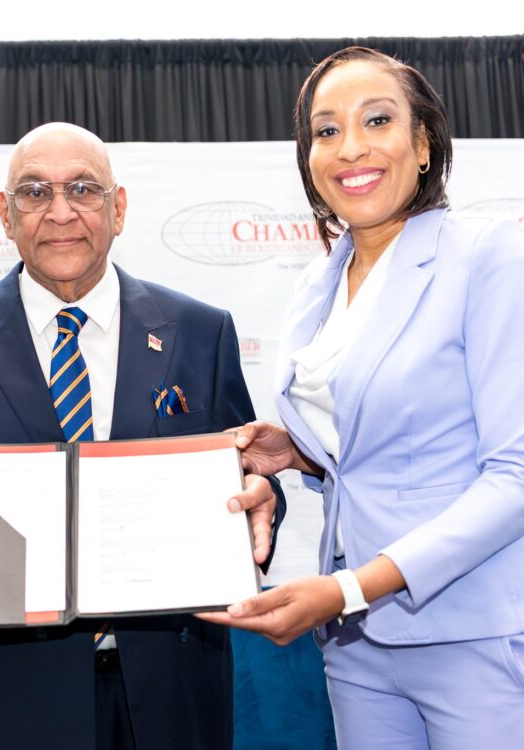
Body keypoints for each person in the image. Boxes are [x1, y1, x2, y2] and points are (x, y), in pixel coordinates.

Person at [0, 122, 284, 750]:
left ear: (118, 208)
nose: (60, 213)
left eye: (82, 189)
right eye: (34, 193)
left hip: (173, 692)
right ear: (5, 214)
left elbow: (249, 478)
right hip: (11, 698)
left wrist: (264, 500)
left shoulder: (200, 331)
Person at [199, 47, 524, 749]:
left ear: (424, 144)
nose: (351, 147)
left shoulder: (489, 257)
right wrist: (302, 453)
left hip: (472, 630)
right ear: (309, 160)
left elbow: (515, 476)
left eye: (377, 120)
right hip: (354, 643)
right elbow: (390, 445)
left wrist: (352, 588)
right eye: (327, 130)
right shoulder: (318, 285)